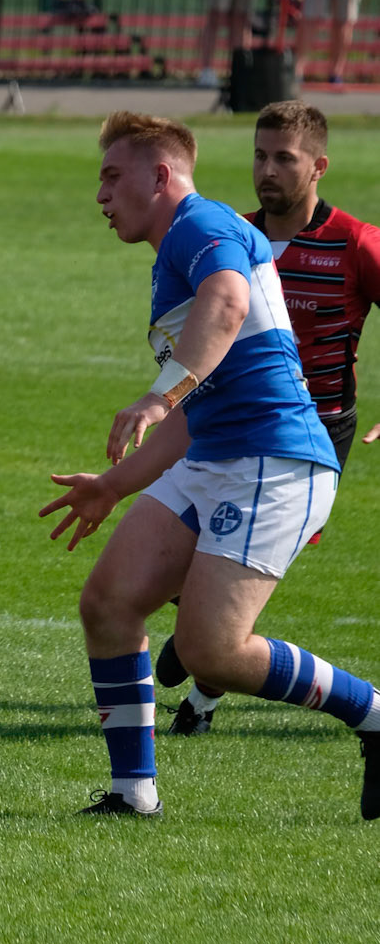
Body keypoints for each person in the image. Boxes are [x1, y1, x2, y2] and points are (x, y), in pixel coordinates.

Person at [39, 111, 380, 822]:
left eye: (111, 176)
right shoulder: (177, 255)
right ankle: (133, 793)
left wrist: (157, 396)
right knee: (108, 603)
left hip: (275, 459)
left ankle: (373, 714)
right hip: (219, 454)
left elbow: (227, 304)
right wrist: (111, 485)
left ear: (159, 177)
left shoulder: (200, 226)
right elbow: (196, 411)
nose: (99, 196)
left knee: (211, 651)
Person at [157, 101, 380, 732]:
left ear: (319, 167)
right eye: (260, 155)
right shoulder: (232, 237)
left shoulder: (356, 244)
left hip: (313, 434)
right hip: (226, 423)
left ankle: (203, 690)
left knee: (234, 561)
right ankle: (206, 670)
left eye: (285, 158)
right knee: (192, 557)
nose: (268, 170)